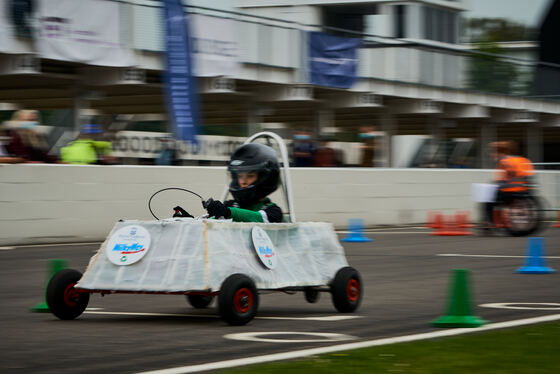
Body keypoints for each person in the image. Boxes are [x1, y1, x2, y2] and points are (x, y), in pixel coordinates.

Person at [174, 143, 283, 223]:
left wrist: (228, 212)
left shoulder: (273, 211)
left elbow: (258, 218)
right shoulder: (230, 205)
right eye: (240, 176)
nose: (243, 182)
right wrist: (190, 222)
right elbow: (212, 223)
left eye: (250, 176)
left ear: (266, 178)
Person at [482, 140, 535, 230]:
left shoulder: (503, 161)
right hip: (524, 193)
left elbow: (499, 180)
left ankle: (489, 223)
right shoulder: (525, 160)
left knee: (488, 201)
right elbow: (530, 177)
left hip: (508, 192)